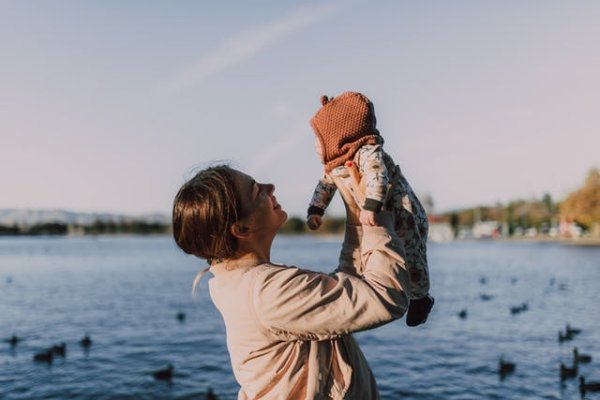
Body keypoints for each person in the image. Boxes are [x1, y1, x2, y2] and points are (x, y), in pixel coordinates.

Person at [172, 164, 411, 399]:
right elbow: (386, 296)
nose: (270, 187)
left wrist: (358, 211)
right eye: (257, 191)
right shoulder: (267, 291)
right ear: (241, 229)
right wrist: (375, 217)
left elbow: (350, 284)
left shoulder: (244, 284)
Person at [306, 91, 434, 327]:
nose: (315, 145)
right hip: (375, 217)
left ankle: (420, 297)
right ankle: (373, 287)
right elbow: (325, 185)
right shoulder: (334, 165)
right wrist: (316, 209)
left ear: (339, 135)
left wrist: (371, 204)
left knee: (413, 257)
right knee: (372, 254)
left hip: (403, 214)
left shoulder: (366, 152)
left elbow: (378, 175)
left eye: (319, 138)